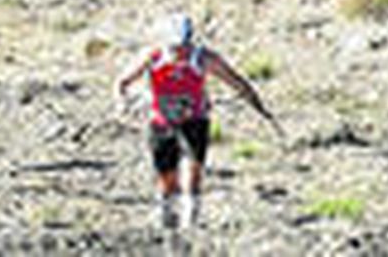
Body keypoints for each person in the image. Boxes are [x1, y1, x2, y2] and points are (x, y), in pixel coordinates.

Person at [117, 14, 281, 230]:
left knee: (193, 173)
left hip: (195, 121)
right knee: (167, 178)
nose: (180, 53)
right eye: (175, 48)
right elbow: (123, 82)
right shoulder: (152, 57)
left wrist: (258, 106)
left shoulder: (203, 58)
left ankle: (191, 223)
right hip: (162, 122)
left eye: (184, 46)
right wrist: (125, 103)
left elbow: (235, 80)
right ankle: (167, 219)